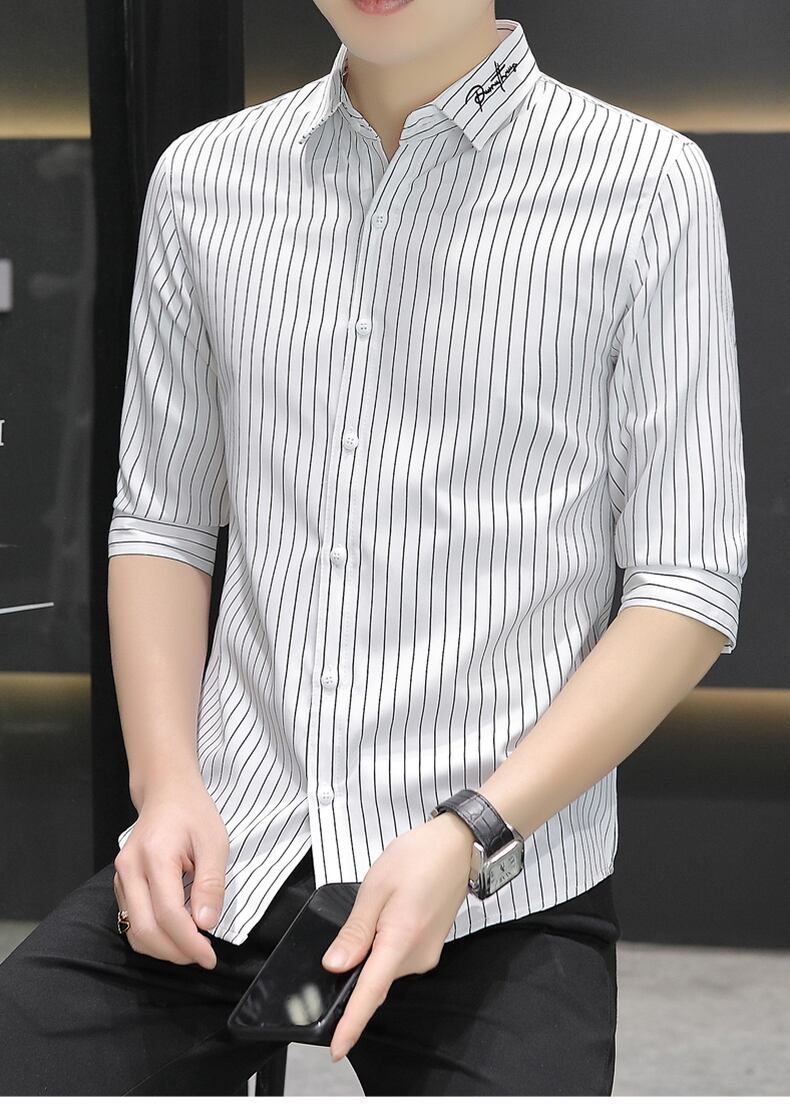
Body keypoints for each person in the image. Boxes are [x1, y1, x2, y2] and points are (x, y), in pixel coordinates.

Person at [0, 0, 747, 1096]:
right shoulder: (206, 178)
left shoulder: (643, 182)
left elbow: (685, 585)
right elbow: (164, 518)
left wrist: (472, 830)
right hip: (231, 853)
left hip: (493, 887)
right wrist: (165, 790)